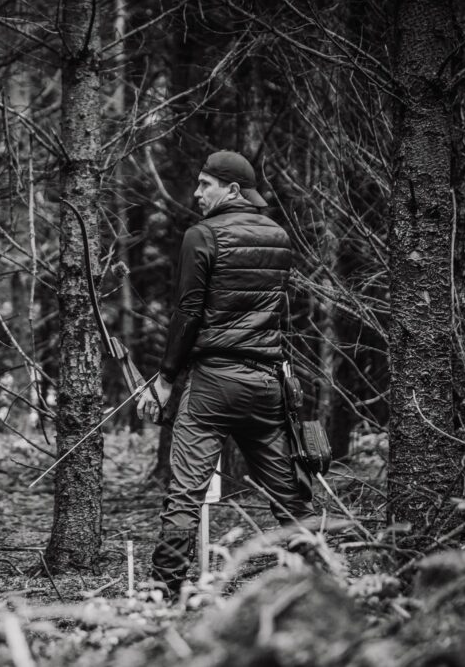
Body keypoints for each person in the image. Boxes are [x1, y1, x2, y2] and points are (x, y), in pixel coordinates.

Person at [136, 150, 314, 595]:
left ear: (232, 189)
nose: (196, 193)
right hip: (266, 385)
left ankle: (163, 593)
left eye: (205, 185)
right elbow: (275, 312)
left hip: (213, 385)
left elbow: (188, 311)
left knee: (184, 495)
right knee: (291, 497)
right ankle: (320, 583)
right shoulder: (278, 236)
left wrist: (165, 379)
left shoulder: (202, 235)